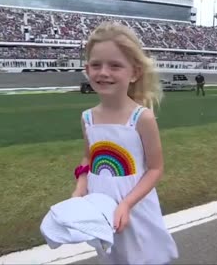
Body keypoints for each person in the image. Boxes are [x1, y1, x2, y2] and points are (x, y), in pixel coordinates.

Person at [71, 22, 178, 265]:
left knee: (141, 257)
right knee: (112, 256)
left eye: (115, 65)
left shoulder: (142, 118)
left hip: (134, 205)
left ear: (135, 72)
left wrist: (127, 204)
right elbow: (88, 159)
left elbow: (155, 168)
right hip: (100, 204)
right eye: (96, 65)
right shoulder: (87, 117)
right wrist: (80, 189)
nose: (103, 72)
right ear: (87, 69)